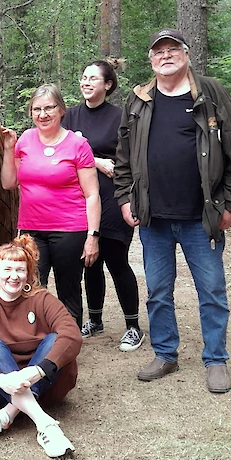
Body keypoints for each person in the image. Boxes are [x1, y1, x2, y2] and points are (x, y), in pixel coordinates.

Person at [114, 28, 231, 393]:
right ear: (151, 59)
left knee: (211, 289)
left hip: (201, 216)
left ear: (186, 54)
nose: (165, 55)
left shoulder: (210, 92)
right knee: (158, 290)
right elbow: (124, 156)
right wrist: (126, 199)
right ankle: (165, 353)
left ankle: (216, 359)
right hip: (154, 218)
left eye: (172, 49)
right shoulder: (139, 99)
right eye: (158, 51)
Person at [0, 235, 81, 458]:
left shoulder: (43, 299)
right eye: (7, 269)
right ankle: (46, 424)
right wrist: (1, 379)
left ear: (29, 274)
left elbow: (72, 334)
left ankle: (4, 417)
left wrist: (36, 372)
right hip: (0, 388)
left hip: (45, 384)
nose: (13, 277)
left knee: (55, 339)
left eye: (20, 270)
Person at [1, 84, 101, 329]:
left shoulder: (77, 145)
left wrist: (92, 237)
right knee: (31, 286)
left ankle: (69, 340)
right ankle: (34, 338)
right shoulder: (25, 140)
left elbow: (92, 195)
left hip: (69, 228)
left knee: (68, 288)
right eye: (37, 109)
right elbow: (8, 182)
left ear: (61, 110)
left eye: (49, 108)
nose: (43, 114)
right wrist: (7, 149)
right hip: (31, 229)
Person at [63, 60, 145, 351]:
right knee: (89, 261)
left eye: (93, 79)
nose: (86, 83)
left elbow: (130, 158)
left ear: (107, 85)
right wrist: (96, 161)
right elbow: (61, 151)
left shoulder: (119, 117)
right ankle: (95, 320)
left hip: (112, 195)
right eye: (83, 77)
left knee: (115, 258)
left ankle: (133, 326)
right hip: (79, 198)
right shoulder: (69, 116)